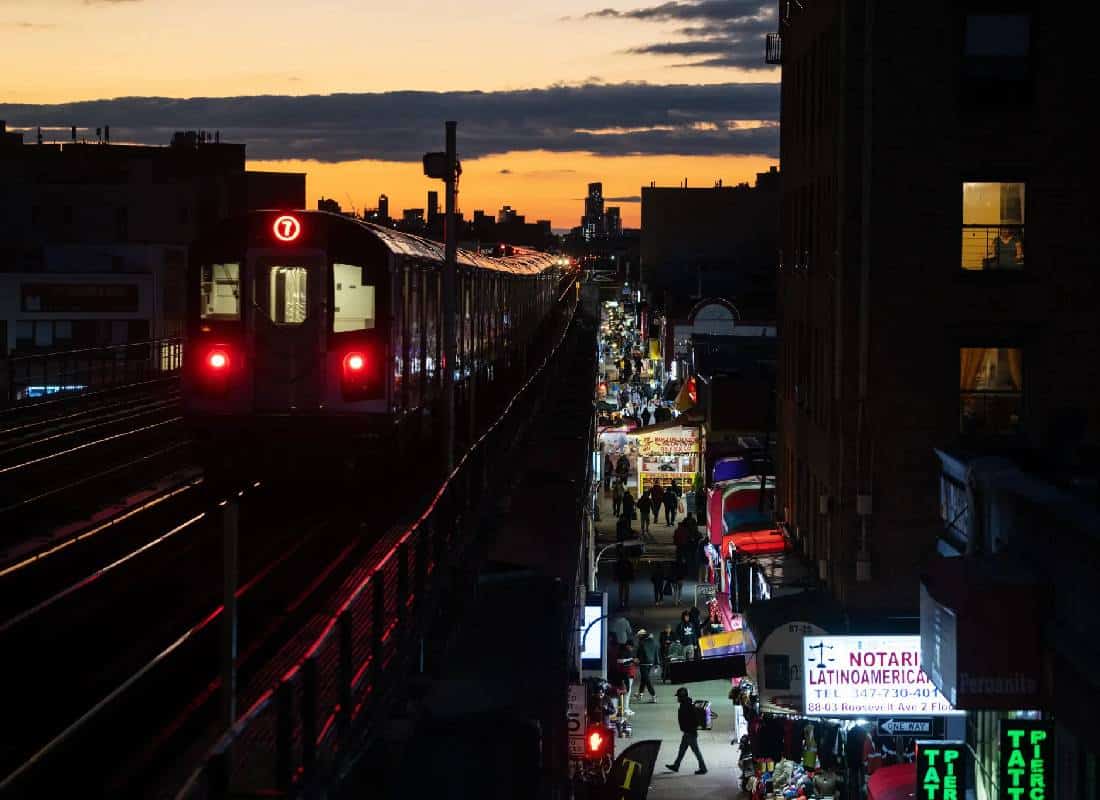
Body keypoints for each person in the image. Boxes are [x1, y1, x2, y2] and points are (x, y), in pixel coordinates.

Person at [666, 687, 708, 774]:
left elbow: (690, 719)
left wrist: (688, 728)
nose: (677, 698)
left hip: (690, 733)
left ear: (682, 696)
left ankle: (703, 768)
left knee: (696, 751)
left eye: (678, 696)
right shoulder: (687, 704)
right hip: (688, 732)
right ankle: (676, 765)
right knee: (682, 750)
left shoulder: (686, 706)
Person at [634, 628, 660, 703]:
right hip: (651, 663)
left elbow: (639, 653)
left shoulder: (642, 642)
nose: (638, 637)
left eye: (639, 636)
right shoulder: (653, 641)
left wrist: (636, 660)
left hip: (643, 663)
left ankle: (653, 696)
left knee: (647, 680)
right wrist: (656, 664)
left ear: (641, 635)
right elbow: (656, 652)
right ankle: (640, 694)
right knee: (644, 679)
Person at [617, 638, 637, 717]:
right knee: (627, 692)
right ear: (628, 645)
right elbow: (620, 661)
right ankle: (625, 709)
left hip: (629, 674)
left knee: (627, 691)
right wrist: (631, 660)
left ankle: (626, 708)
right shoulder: (623, 652)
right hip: (626, 674)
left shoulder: (625, 651)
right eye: (631, 647)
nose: (632, 649)